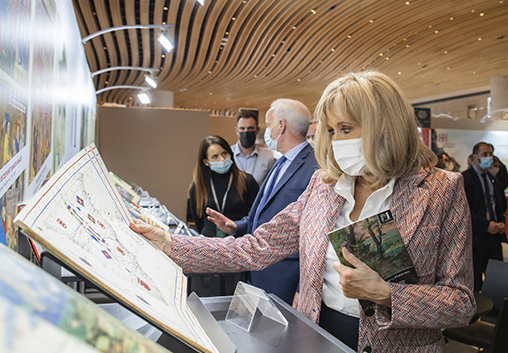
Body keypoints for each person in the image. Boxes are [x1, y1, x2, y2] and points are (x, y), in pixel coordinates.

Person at [131, 71, 475, 352]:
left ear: (384, 126)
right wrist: (171, 245)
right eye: (330, 131)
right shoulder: (323, 188)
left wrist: (385, 293)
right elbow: (256, 247)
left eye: (346, 129)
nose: (337, 141)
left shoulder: (440, 191)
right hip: (317, 338)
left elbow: (460, 302)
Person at [229, 98, 317, 304]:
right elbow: (266, 211)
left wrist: (301, 287)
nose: (267, 131)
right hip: (259, 268)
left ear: (281, 125)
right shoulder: (281, 161)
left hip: (285, 277)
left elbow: (314, 234)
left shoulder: (314, 168)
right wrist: (237, 225)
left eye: (269, 125)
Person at [188, 135, 259, 296]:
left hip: (237, 248)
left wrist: (235, 227)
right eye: (215, 156)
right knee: (208, 296)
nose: (222, 159)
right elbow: (199, 221)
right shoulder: (198, 186)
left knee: (232, 295)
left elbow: (256, 218)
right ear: (206, 161)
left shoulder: (247, 181)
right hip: (208, 250)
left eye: (225, 153)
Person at [462, 142, 508, 291]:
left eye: (491, 154)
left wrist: (501, 222)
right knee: (475, 284)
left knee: (497, 280)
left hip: (494, 238)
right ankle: (475, 314)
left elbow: (499, 206)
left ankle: (494, 313)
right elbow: (465, 210)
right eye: (485, 154)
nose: (489, 157)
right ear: (475, 157)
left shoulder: (493, 179)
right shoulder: (465, 179)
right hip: (476, 239)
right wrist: (486, 225)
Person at [231, 110, 275, 186]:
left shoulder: (268, 158)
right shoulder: (228, 154)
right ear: (237, 130)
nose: (246, 132)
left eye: (250, 128)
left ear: (257, 130)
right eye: (242, 129)